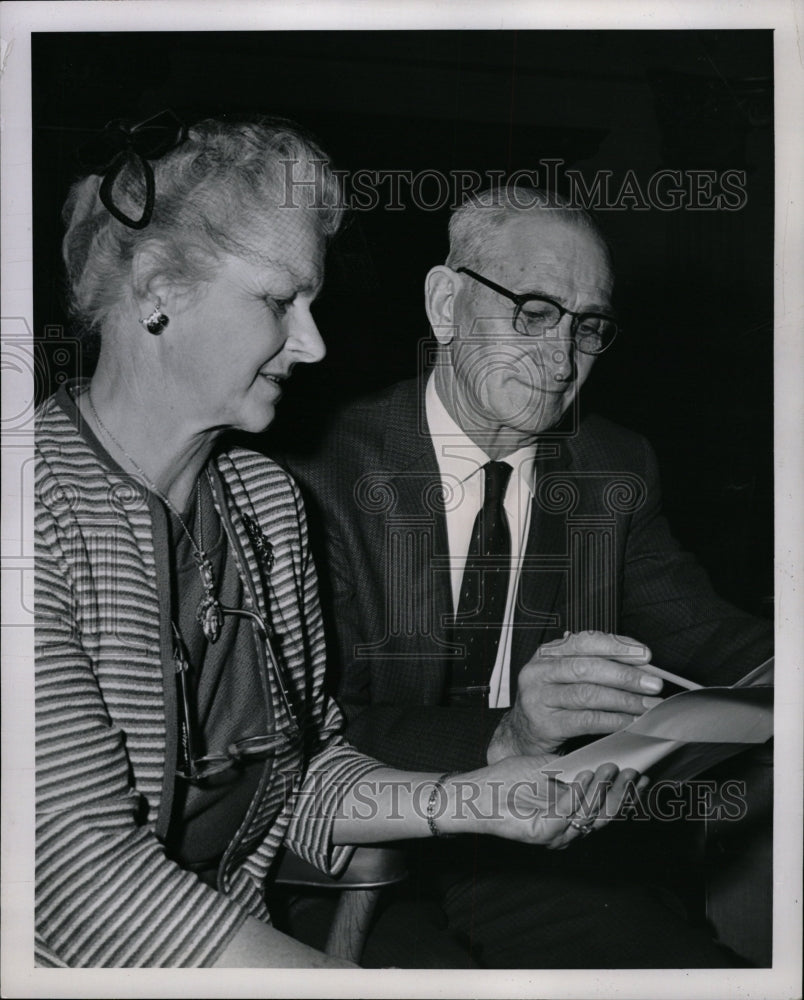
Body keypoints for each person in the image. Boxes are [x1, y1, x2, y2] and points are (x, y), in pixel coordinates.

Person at [34, 120, 639, 969]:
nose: (315, 343)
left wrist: (477, 799)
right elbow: (76, 886)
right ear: (156, 288)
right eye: (281, 302)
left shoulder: (266, 504)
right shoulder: (29, 515)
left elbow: (304, 777)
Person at [285, 186, 774, 967]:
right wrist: (505, 734)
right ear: (445, 305)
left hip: (540, 854)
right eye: (535, 311)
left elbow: (704, 631)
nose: (563, 357)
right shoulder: (315, 472)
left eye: (589, 327)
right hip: (355, 863)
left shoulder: (614, 465)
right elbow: (309, 733)